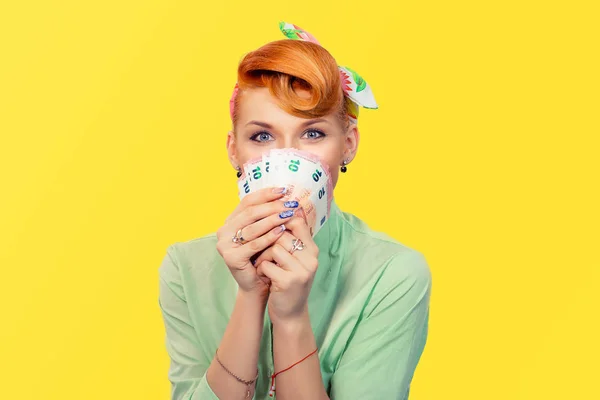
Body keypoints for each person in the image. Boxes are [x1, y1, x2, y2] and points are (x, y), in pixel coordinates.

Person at [158, 22, 432, 400]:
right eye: (262, 137)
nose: (287, 157)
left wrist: (290, 317)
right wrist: (251, 297)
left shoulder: (394, 276)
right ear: (234, 151)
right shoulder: (184, 268)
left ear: (348, 145)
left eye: (313, 133)